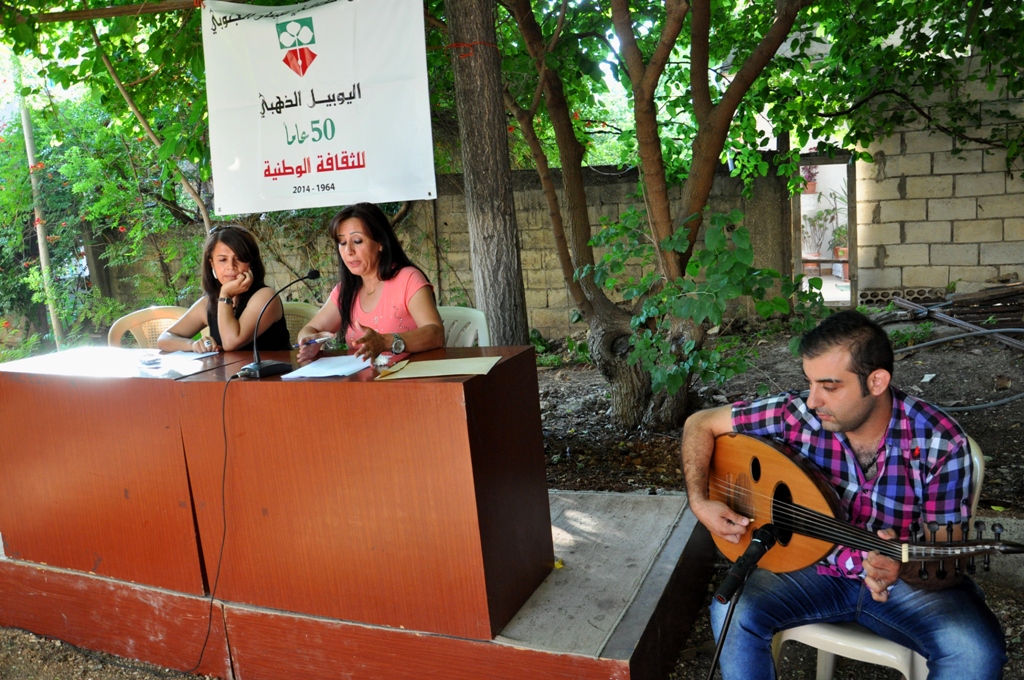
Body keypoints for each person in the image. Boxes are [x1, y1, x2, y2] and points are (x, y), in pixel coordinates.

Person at [681, 310, 1006, 680]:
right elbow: (700, 423)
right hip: (810, 569)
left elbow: (945, 560)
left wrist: (906, 566)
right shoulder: (797, 415)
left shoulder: (939, 442)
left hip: (900, 585)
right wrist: (699, 501)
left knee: (976, 652)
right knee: (731, 611)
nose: (814, 400)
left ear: (877, 381)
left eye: (830, 386)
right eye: (810, 382)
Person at [297, 203, 444, 363]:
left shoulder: (408, 278)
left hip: (410, 380)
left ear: (380, 242)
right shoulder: (345, 290)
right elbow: (310, 329)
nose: (349, 251)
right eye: (342, 243)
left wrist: (385, 341)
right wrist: (309, 341)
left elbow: (435, 334)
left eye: (358, 241)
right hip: (363, 382)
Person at [157, 225, 290, 353]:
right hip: (227, 375)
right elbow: (164, 339)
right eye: (222, 260)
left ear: (251, 263)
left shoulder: (265, 296)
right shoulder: (209, 302)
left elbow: (231, 342)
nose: (231, 267)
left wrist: (226, 294)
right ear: (212, 264)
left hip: (272, 375)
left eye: (239, 259)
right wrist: (193, 344)